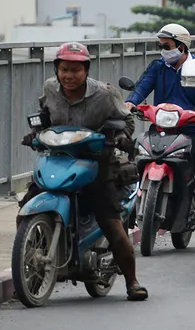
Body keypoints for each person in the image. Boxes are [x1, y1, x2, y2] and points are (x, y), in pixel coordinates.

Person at [18, 42, 149, 300]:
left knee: (110, 221)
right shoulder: (50, 88)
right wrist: (34, 134)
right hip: (58, 158)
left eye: (75, 70)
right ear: (56, 69)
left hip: (96, 161)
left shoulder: (105, 94)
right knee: (25, 210)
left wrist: (121, 137)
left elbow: (128, 119)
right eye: (64, 69)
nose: (69, 76)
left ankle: (132, 281)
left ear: (86, 70)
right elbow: (44, 115)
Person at [125, 24, 195, 127]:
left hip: (192, 129)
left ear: (181, 47)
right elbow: (141, 87)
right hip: (161, 127)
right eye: (161, 46)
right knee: (140, 142)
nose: (163, 51)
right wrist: (130, 103)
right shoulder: (157, 66)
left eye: (166, 47)